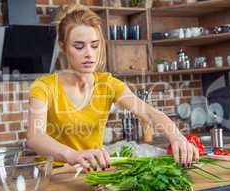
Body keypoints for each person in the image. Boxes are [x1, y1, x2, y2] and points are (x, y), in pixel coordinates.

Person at [26, 4, 199, 171]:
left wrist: (176, 136)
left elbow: (147, 112)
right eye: (79, 46)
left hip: (91, 172)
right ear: (63, 47)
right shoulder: (44, 86)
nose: (89, 53)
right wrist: (72, 155)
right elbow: (35, 137)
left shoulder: (108, 84)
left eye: (94, 45)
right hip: (55, 175)